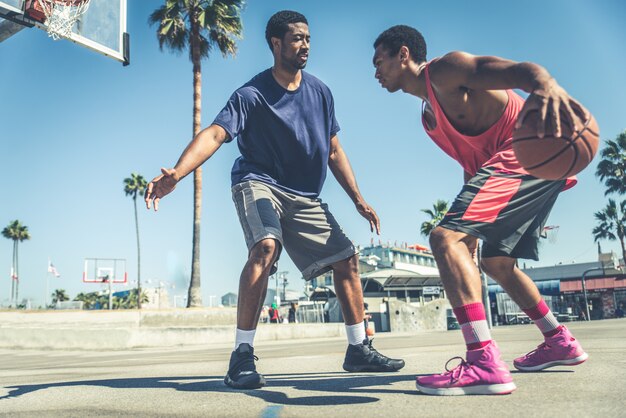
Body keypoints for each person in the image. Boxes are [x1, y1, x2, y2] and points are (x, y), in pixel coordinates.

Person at [145, 10, 404, 390]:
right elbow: (216, 134)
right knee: (265, 247)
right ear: (276, 44)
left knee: (347, 259)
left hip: (304, 196)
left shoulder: (320, 92)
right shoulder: (251, 94)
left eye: (308, 38)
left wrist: (358, 199)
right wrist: (178, 173)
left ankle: (358, 348)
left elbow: (333, 151)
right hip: (258, 182)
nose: (305, 45)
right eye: (297, 38)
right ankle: (241, 356)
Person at [372, 25, 588, 396]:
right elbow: (476, 166)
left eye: (380, 62)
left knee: (442, 238)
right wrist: (466, 232)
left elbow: (519, 71)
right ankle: (559, 341)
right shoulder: (429, 118)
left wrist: (547, 86)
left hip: (532, 148)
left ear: (403, 54)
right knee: (497, 262)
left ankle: (484, 361)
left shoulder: (445, 71)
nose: (376, 72)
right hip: (531, 166)